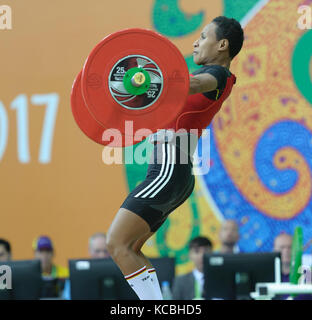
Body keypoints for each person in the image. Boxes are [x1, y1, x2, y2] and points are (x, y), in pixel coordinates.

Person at [106, 16, 244, 300]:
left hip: (169, 169)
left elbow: (191, 84)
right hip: (169, 172)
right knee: (129, 248)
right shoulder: (208, 79)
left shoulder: (218, 76)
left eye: (203, 36)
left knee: (116, 242)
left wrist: (144, 76)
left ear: (222, 44)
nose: (196, 41)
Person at [62, 232, 110, 300]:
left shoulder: (121, 272)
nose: (101, 256)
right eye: (97, 251)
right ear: (89, 251)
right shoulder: (76, 274)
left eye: (106, 251)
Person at [273, 232, 312, 300]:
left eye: (290, 247)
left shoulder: (308, 274)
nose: (286, 251)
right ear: (274, 250)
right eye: (282, 247)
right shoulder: (266, 275)